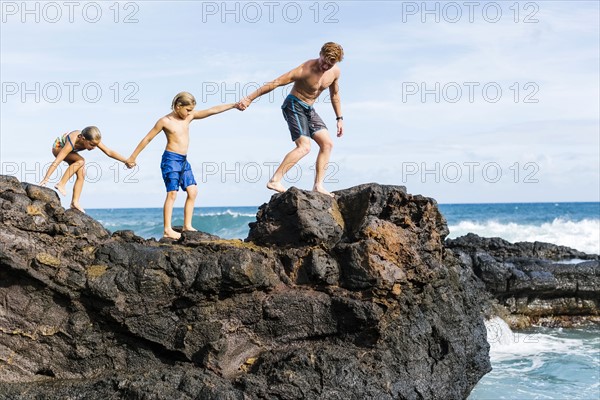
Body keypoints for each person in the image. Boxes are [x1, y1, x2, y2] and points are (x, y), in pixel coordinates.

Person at [237, 42, 344, 197]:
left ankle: (318, 186)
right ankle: (275, 180)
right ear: (320, 54)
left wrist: (339, 118)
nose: (325, 66)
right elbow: (276, 83)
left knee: (327, 144)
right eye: (324, 61)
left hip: (309, 109)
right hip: (294, 104)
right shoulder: (304, 69)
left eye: (330, 64)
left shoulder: (335, 72)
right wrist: (249, 98)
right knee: (304, 147)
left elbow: (334, 95)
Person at [126, 92, 237, 240]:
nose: (190, 113)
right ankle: (167, 230)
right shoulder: (164, 121)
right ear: (178, 106)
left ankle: (187, 225)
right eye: (188, 110)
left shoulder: (189, 117)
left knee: (193, 191)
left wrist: (234, 105)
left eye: (192, 110)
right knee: (172, 194)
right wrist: (133, 156)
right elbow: (147, 138)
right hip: (170, 160)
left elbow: (211, 110)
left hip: (184, 161)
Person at [39, 126, 134, 213]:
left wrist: (126, 161)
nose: (94, 148)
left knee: (82, 174)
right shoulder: (73, 140)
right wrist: (46, 178)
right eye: (92, 145)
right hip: (58, 148)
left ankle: (74, 202)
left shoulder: (93, 139)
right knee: (81, 161)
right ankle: (61, 184)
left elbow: (108, 152)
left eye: (96, 145)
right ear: (83, 139)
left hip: (71, 151)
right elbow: (57, 160)